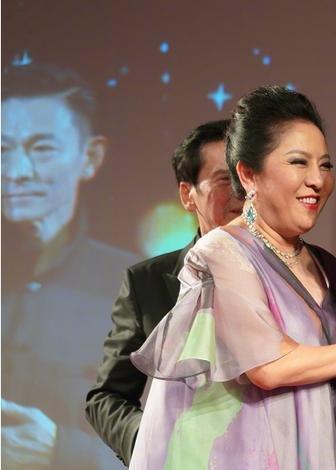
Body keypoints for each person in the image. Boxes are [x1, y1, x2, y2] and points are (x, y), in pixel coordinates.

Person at [128, 86, 336, 470]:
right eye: (298, 162)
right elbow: (268, 365)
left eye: (326, 165)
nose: (317, 180)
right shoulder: (220, 253)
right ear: (248, 174)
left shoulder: (328, 267)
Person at [1, 63, 137, 468]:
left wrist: (62, 451)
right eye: (2, 149)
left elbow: (181, 448)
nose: (16, 173)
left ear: (90, 157)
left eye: (41, 149)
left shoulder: (137, 289)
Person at [85, 120, 243, 466]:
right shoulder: (147, 283)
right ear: (188, 195)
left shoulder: (296, 273)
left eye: (246, 175)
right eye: (224, 179)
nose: (240, 190)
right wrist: (155, 444)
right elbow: (106, 397)